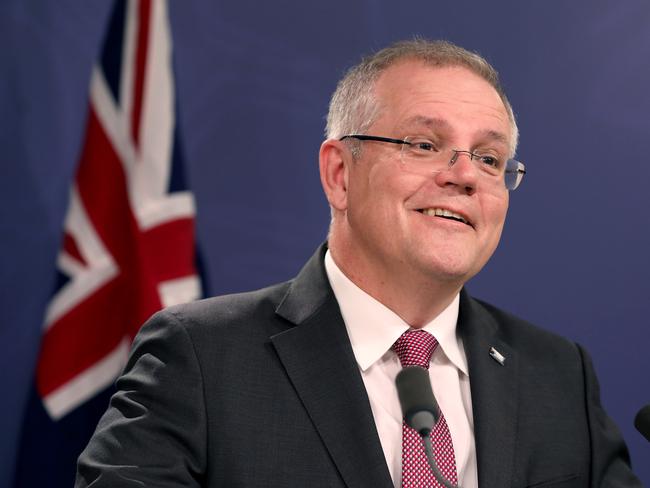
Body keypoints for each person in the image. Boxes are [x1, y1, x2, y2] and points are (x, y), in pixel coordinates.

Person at [76, 39, 641, 487]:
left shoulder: (559, 373)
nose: (465, 175)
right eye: (424, 145)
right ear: (340, 175)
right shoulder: (200, 356)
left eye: (490, 159)